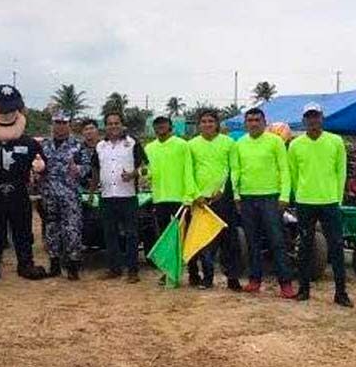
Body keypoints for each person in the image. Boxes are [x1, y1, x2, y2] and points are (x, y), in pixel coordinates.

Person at [0, 84, 48, 282]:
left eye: (11, 109)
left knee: (23, 230)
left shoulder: (29, 143)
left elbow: (43, 164)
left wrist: (40, 165)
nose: (7, 114)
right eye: (2, 109)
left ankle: (26, 264)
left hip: (19, 192)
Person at [288, 103, 352, 306]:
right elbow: (293, 174)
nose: (313, 120)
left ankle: (340, 293)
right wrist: (300, 195)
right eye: (309, 117)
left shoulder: (335, 141)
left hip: (330, 202)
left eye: (316, 116)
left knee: (336, 247)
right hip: (305, 202)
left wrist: (338, 198)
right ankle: (303, 290)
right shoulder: (296, 144)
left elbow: (341, 172)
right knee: (305, 247)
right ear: (304, 120)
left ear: (321, 118)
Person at [232, 107, 295, 298]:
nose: (253, 123)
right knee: (252, 242)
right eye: (249, 120)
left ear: (264, 122)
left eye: (257, 120)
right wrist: (236, 195)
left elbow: (284, 170)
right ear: (245, 124)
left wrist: (284, 196)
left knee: (277, 241)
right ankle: (254, 280)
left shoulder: (275, 142)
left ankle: (285, 283)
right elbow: (236, 171)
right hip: (247, 198)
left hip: (271, 198)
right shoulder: (239, 144)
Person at [188, 110, 243, 291]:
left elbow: (234, 169)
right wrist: (196, 195)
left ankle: (232, 278)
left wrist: (224, 190)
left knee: (230, 241)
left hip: (224, 199)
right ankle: (207, 277)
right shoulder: (192, 145)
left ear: (217, 124)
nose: (207, 124)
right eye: (203, 121)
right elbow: (188, 173)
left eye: (211, 121)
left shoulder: (229, 143)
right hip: (201, 202)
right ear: (198, 125)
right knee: (205, 242)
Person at [90, 111, 148, 283]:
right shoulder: (100, 146)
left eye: (116, 123)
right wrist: (93, 190)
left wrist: (133, 174)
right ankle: (113, 268)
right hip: (107, 196)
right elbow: (95, 169)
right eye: (110, 123)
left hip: (128, 196)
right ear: (105, 126)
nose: (113, 126)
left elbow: (145, 168)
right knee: (110, 234)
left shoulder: (133, 143)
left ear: (122, 125)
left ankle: (132, 271)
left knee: (131, 234)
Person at [37, 112, 91, 280]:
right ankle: (54, 264)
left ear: (69, 125)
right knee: (52, 229)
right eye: (56, 122)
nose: (60, 126)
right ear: (52, 124)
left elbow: (88, 166)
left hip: (70, 194)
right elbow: (37, 164)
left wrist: (79, 170)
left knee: (72, 229)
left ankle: (73, 266)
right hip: (49, 193)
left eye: (63, 122)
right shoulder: (44, 145)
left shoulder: (78, 145)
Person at [144, 116, 198, 286]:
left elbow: (189, 171)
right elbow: (148, 172)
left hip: (181, 200)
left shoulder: (182, 145)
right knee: (166, 239)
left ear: (170, 127)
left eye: (163, 124)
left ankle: (194, 273)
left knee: (185, 237)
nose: (160, 127)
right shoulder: (149, 148)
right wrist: (141, 173)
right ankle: (168, 272)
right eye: (157, 125)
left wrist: (189, 196)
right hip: (159, 199)